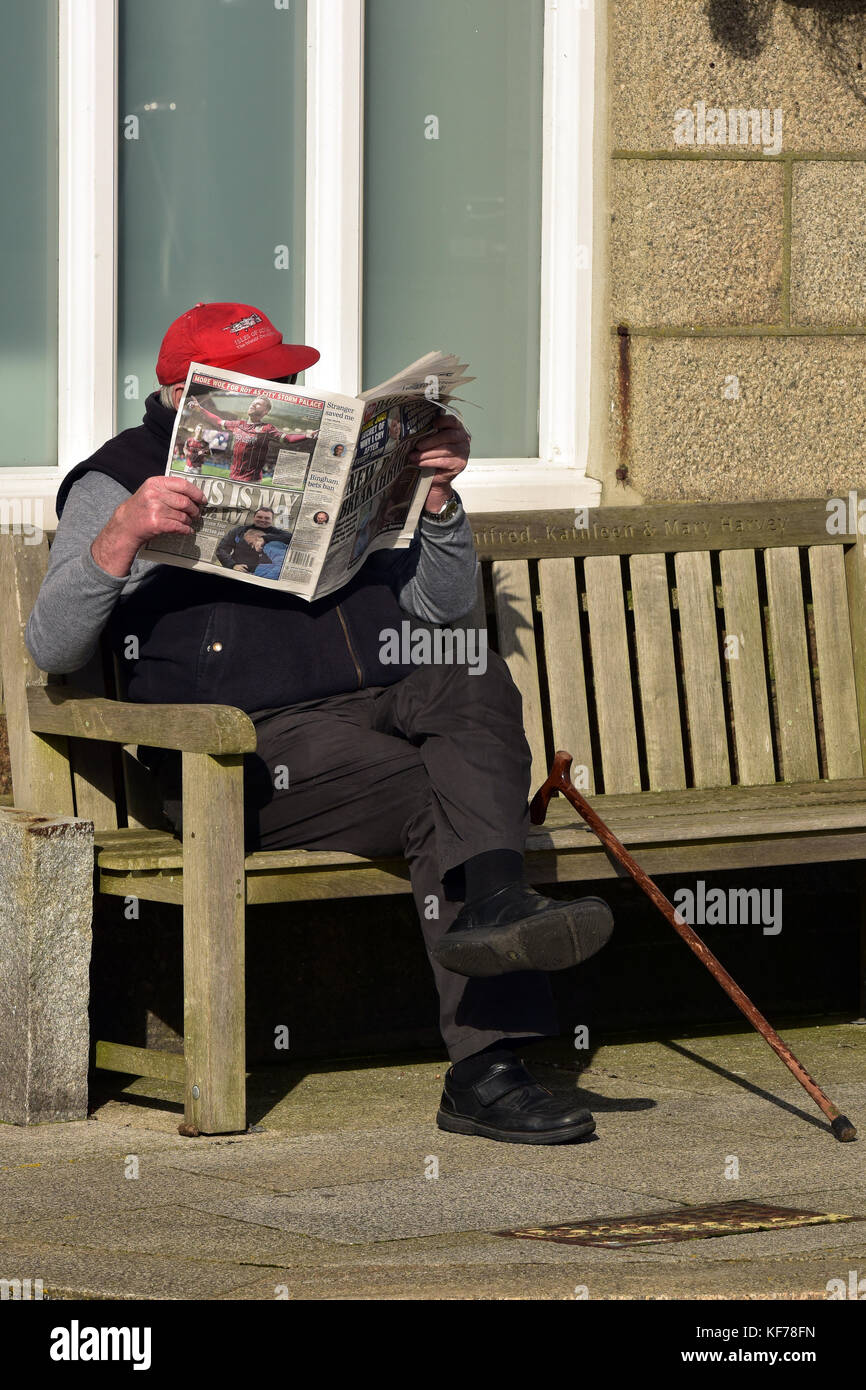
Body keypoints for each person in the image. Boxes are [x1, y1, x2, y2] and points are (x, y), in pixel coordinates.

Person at [26, 299, 615, 1146]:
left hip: (379, 695)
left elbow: (443, 615)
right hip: (246, 747)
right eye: (261, 385)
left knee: (469, 666)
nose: (285, 395)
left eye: (289, 379)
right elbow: (52, 644)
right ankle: (488, 1068)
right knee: (433, 798)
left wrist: (439, 502)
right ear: (187, 394)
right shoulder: (117, 478)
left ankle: (494, 903)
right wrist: (119, 537)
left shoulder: (333, 459)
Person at [188, 393, 318, 484]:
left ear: (265, 411)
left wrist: (307, 435)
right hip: (232, 478)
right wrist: (201, 409)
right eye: (253, 402)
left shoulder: (267, 428)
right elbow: (218, 421)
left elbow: (288, 438)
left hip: (251, 481)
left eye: (258, 404)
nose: (253, 405)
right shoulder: (238, 425)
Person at [215, 505, 292, 571]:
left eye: (267, 518)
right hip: (237, 570)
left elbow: (291, 538)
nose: (262, 520)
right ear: (254, 517)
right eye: (259, 517)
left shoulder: (276, 532)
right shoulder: (239, 530)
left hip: (262, 574)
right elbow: (221, 549)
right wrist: (232, 565)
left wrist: (266, 538)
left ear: (272, 520)